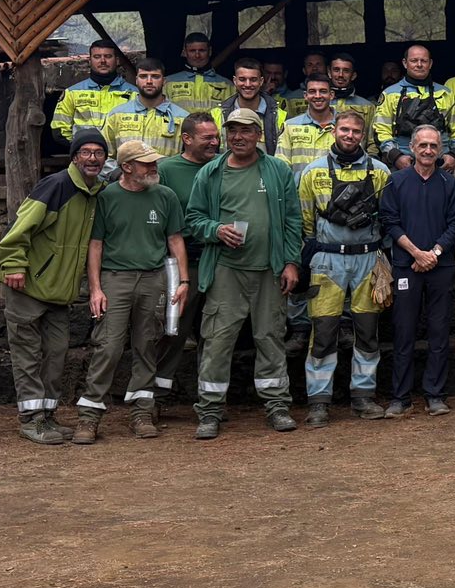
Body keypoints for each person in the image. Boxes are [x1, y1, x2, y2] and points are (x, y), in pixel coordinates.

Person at [184, 107, 301, 436]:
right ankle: (209, 411)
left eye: (246, 130)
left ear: (258, 135)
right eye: (232, 130)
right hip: (226, 271)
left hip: (269, 270)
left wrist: (291, 263)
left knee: (270, 337)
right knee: (217, 340)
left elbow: (293, 221)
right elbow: (193, 219)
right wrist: (216, 230)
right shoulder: (210, 173)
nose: (238, 136)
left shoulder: (277, 170)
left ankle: (277, 406)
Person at [0, 129, 108, 444]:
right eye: (85, 152)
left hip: (59, 292)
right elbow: (19, 228)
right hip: (28, 287)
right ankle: (31, 420)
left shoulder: (96, 193)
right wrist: (13, 265)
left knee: (55, 354)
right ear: (74, 157)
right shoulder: (57, 186)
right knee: (28, 355)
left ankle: (47, 415)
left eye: (99, 153)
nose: (92, 158)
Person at [77, 140, 188, 441]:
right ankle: (89, 416)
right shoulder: (106, 197)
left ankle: (142, 411)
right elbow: (95, 244)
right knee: (109, 346)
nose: (154, 167)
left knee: (147, 344)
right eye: (146, 163)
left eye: (154, 162)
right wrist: (96, 288)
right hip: (116, 278)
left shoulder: (165, 196)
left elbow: (175, 240)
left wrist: (183, 281)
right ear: (127, 167)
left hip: (154, 279)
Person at [297, 110, 389, 426]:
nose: (349, 136)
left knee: (367, 331)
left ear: (363, 135)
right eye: (344, 130)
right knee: (322, 331)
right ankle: (319, 401)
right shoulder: (312, 172)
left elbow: (388, 217)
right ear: (334, 131)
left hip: (368, 258)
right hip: (327, 259)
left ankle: (363, 396)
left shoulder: (380, 172)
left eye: (356, 132)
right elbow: (305, 221)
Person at [381, 124, 455, 416]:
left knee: (439, 332)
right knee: (404, 331)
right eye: (423, 145)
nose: (428, 150)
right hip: (407, 266)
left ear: (440, 150)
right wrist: (416, 253)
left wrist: (434, 253)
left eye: (434, 145)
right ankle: (400, 397)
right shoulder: (396, 182)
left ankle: (435, 394)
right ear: (412, 149)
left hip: (440, 267)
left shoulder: (450, 184)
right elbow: (390, 221)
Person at [151, 112, 218, 399]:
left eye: (217, 137)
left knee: (215, 331)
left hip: (217, 259)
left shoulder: (224, 166)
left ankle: (210, 397)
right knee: (174, 329)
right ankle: (155, 393)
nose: (215, 142)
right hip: (181, 262)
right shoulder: (167, 170)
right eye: (208, 138)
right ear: (187, 138)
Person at [372, 43, 455, 166]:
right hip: (403, 162)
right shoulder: (390, 94)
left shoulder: (446, 93)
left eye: (423, 61)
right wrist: (396, 157)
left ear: (430, 64)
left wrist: (454, 155)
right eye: (414, 60)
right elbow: (380, 130)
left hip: (441, 162)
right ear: (405, 63)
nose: (419, 64)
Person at [50, 39, 136, 146]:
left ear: (117, 61)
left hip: (122, 160)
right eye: (97, 57)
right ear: (90, 61)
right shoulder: (72, 93)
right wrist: (83, 151)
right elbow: (59, 131)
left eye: (108, 56)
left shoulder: (134, 94)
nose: (103, 61)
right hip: (85, 159)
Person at [103, 56, 186, 159]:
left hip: (166, 175)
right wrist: (118, 175)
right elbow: (105, 155)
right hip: (126, 175)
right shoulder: (116, 115)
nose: (149, 81)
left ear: (164, 81)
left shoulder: (182, 118)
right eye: (143, 76)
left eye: (155, 76)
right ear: (136, 80)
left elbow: (190, 158)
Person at [276, 76, 341, 173]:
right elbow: (281, 166)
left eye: (323, 91)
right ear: (305, 96)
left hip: (336, 187)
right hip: (298, 188)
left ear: (331, 95)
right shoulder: (290, 126)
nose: (318, 96)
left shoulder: (344, 127)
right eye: (312, 91)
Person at [165, 32, 232, 113]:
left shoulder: (227, 85)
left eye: (202, 50)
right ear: (184, 53)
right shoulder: (167, 83)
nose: (197, 55)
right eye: (192, 51)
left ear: (210, 51)